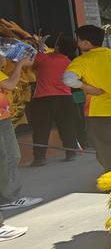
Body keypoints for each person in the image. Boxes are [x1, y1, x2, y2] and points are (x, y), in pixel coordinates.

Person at [63, 25, 111, 170]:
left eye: (78, 40)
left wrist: (87, 88)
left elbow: (68, 79)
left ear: (85, 43)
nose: (77, 43)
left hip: (98, 110)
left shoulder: (83, 60)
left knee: (104, 146)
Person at [29, 34, 83, 165]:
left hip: (43, 99)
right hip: (65, 98)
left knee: (41, 129)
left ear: (57, 47)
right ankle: (71, 152)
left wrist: (40, 48)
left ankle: (39, 158)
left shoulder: (44, 58)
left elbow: (33, 64)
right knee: (67, 126)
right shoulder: (70, 63)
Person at [0, 55, 43, 213]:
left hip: (3, 116)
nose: (4, 58)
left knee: (10, 156)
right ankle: (9, 198)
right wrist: (20, 65)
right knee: (7, 157)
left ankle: (8, 196)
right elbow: (11, 85)